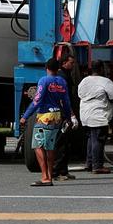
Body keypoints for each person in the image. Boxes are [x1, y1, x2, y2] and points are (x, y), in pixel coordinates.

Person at [20, 57, 72, 187]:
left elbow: (37, 100)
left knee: (38, 145)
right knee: (50, 147)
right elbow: (66, 101)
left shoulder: (44, 80)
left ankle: (45, 176)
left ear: (46, 68)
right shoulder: (61, 81)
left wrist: (25, 116)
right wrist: (68, 117)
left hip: (45, 116)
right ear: (58, 68)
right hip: (57, 116)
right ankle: (50, 174)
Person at [78, 59, 113, 174]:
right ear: (101, 69)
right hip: (98, 114)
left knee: (91, 138)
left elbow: (80, 94)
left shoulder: (84, 81)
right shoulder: (105, 81)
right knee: (98, 139)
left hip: (85, 113)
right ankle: (97, 166)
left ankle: (89, 163)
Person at [52, 54, 80, 181]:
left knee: (67, 144)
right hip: (63, 114)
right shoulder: (61, 77)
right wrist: (71, 114)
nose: (73, 65)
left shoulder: (66, 76)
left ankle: (64, 170)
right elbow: (64, 98)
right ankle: (56, 172)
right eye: (71, 63)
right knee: (61, 144)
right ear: (64, 63)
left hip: (66, 113)